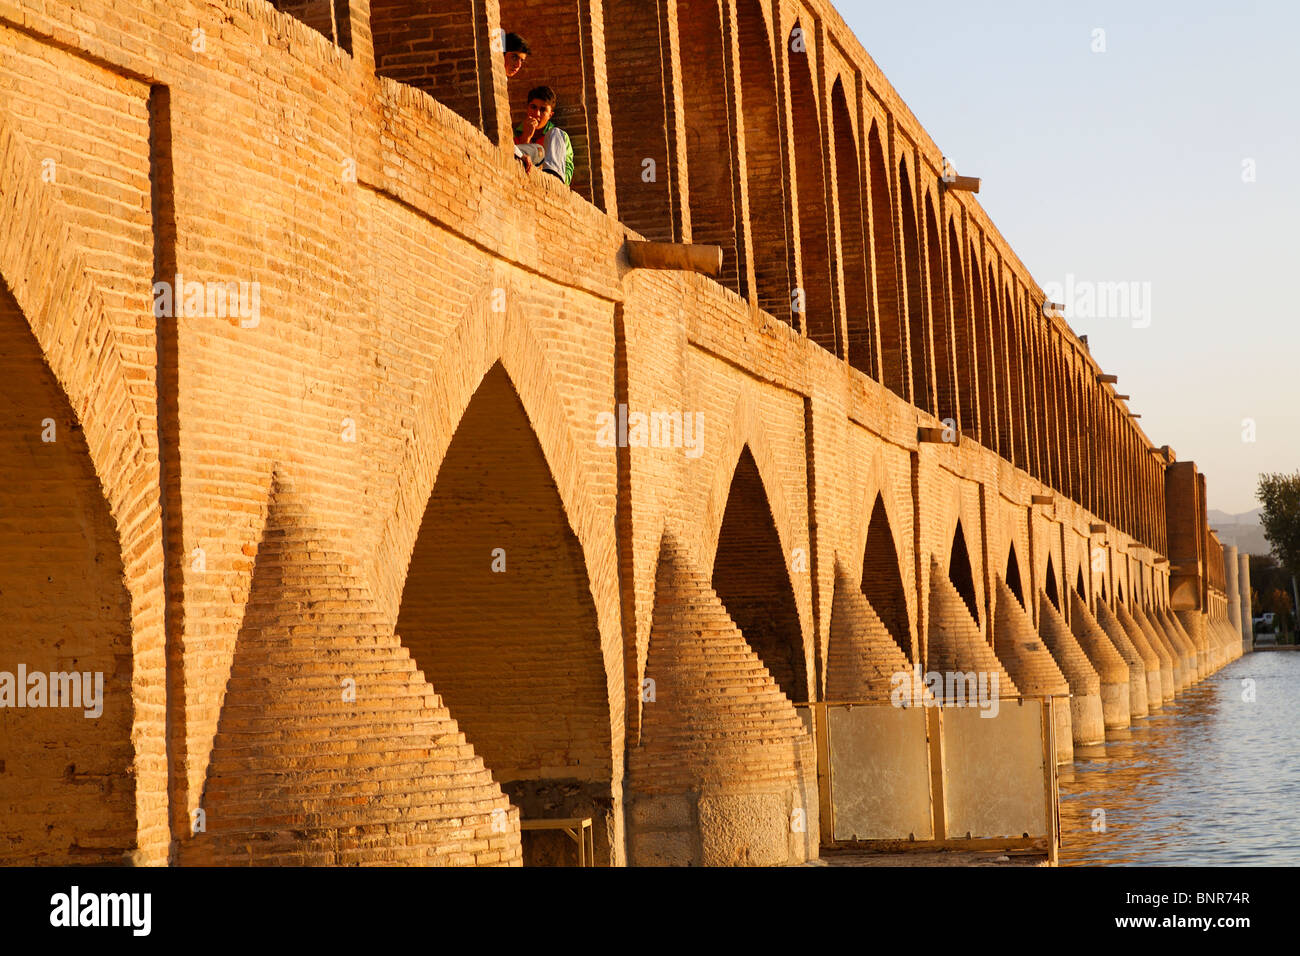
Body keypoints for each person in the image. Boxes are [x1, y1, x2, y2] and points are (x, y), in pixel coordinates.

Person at [513, 86, 573, 187]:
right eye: (533, 107)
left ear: (550, 115)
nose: (537, 113)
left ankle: (552, 178)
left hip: (550, 186)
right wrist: (526, 137)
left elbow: (567, 174)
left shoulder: (558, 138)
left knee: (553, 134)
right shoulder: (514, 134)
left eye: (543, 110)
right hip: (524, 185)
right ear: (527, 108)